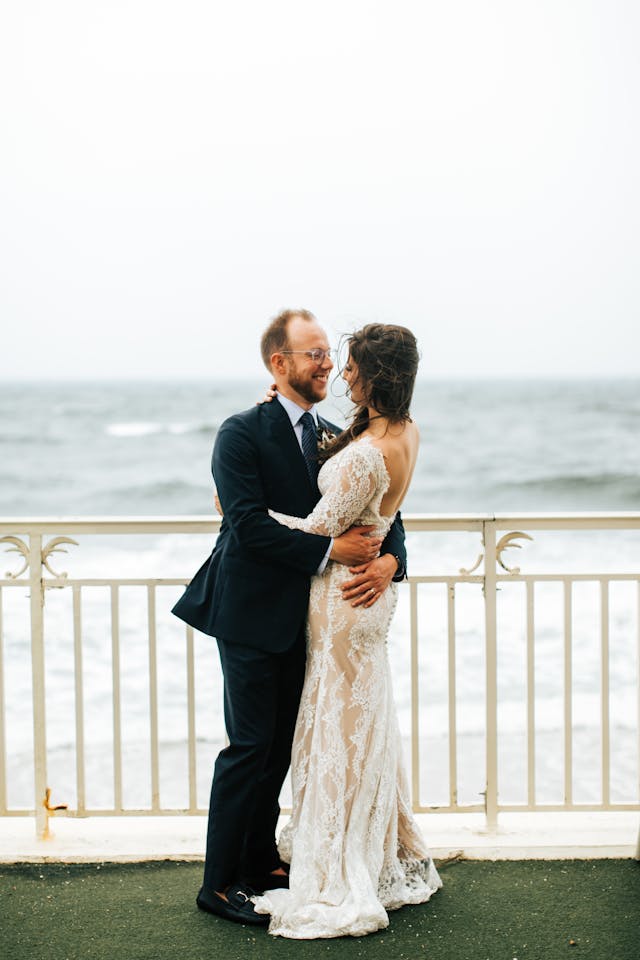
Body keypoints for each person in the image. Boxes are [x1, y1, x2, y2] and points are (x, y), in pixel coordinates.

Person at [171, 309, 408, 925]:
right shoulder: (240, 431)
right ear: (280, 364)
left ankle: (260, 861)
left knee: (282, 746)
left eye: (330, 353)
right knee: (249, 748)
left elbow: (385, 508)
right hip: (249, 613)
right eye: (314, 353)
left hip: (312, 621)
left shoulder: (339, 434)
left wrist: (390, 564)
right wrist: (331, 549)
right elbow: (245, 527)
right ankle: (218, 884)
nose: (327, 363)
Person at [252, 323, 442, 938]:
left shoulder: (363, 454)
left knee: (337, 723)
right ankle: (377, 844)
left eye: (354, 365)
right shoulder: (401, 433)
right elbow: (385, 515)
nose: (345, 374)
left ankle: (341, 861)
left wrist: (245, 513)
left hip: (343, 600)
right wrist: (387, 555)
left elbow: (317, 531)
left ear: (376, 375)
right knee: (360, 721)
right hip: (370, 600)